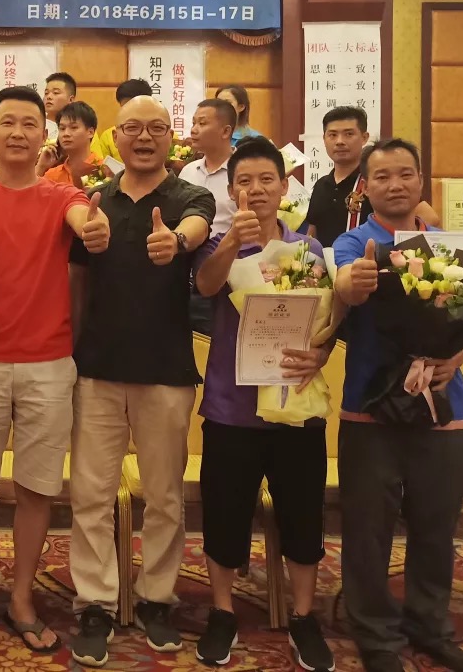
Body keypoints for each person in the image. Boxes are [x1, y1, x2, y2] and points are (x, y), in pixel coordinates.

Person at [0, 85, 111, 656]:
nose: (17, 132)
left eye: (29, 123)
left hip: (49, 364)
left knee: (36, 489)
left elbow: (86, 218)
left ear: (44, 135)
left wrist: (95, 229)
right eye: (6, 122)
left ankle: (24, 599)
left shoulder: (63, 196)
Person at [67, 97, 214, 667]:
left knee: (164, 496)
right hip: (97, 369)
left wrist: (176, 241)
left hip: (165, 370)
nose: (144, 137)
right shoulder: (94, 201)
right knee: (91, 495)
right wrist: (71, 352)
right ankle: (95, 603)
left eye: (156, 128)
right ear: (116, 136)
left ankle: (157, 597)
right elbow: (77, 283)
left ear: (171, 137)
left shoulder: (188, 196)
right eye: (133, 128)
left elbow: (198, 228)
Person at [333, 138, 463, 672]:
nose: (395, 185)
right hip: (369, 408)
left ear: (420, 180)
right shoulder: (354, 242)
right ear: (365, 187)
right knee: (367, 530)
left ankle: (430, 626)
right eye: (382, 176)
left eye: (405, 174)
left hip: (442, 409)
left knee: (436, 527)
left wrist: (453, 362)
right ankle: (375, 634)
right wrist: (356, 282)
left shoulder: (450, 246)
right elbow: (344, 288)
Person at [191, 136, 336, 670]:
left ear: (283, 187)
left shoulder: (309, 251)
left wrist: (320, 353)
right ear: (232, 191)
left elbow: (327, 320)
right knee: (224, 513)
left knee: (303, 515)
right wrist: (233, 242)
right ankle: (222, 611)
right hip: (232, 406)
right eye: (244, 182)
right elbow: (206, 287)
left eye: (266, 180)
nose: (255, 189)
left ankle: (303, 616)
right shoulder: (216, 244)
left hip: (295, 405)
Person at [307, 107, 439, 247]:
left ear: (364, 137)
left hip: (368, 258)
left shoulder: (377, 181)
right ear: (324, 139)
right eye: (333, 135)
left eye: (349, 134)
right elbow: (312, 233)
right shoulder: (321, 185)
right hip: (331, 259)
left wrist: (389, 251)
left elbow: (430, 218)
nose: (340, 141)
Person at [179, 99, 238, 237]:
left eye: (202, 123)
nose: (193, 130)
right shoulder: (188, 171)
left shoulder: (243, 173)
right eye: (193, 123)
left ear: (225, 131)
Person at [38, 101, 102, 186]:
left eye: (74, 127)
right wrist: (41, 166)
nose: (66, 134)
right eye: (62, 128)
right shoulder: (52, 175)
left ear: (90, 132)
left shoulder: (104, 170)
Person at [92, 78, 154, 162]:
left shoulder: (162, 133)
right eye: (126, 106)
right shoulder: (108, 136)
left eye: (136, 106)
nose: (131, 111)